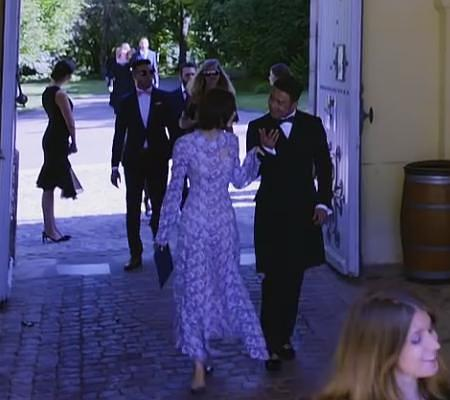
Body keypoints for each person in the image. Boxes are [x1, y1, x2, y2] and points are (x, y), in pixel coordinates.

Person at [155, 88, 277, 393]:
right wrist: (163, 229)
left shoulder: (229, 142)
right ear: (222, 113)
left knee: (221, 283)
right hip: (198, 223)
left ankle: (207, 352)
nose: (235, 116)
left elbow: (239, 180)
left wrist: (257, 154)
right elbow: (175, 188)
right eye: (232, 111)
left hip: (221, 224)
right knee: (196, 288)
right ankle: (199, 361)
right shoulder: (185, 145)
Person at [246, 75, 333, 372]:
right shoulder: (257, 127)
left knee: (293, 278)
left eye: (281, 102)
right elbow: (253, 172)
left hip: (302, 212)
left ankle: (283, 338)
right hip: (270, 212)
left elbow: (324, 165)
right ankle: (269, 344)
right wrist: (266, 150)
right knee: (272, 279)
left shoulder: (312, 125)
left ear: (294, 103)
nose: (274, 105)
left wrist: (323, 203)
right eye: (272, 99)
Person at [315, 289, 450, 400]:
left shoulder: (442, 391)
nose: (435, 345)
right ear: (382, 350)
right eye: (416, 339)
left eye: (430, 330)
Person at [110, 59, 170, 271]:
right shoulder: (125, 102)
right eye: (142, 72)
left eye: (150, 72)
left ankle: (161, 247)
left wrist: (173, 154)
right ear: (134, 75)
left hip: (157, 159)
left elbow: (173, 128)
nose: (147, 76)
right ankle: (135, 253)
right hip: (134, 160)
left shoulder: (163, 98)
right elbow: (119, 134)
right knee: (133, 206)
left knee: (159, 205)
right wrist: (114, 165)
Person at [36, 59, 81, 243]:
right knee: (49, 183)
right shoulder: (59, 94)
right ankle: (49, 228)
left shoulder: (48, 91)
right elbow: (69, 120)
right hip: (57, 140)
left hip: (52, 137)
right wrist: (74, 141)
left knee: (50, 184)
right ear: (67, 75)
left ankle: (50, 227)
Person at [166, 61, 197, 207]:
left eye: (193, 74)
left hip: (198, 148)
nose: (190, 78)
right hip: (178, 146)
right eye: (187, 75)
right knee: (180, 184)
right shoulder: (171, 98)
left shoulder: (203, 97)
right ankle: (183, 209)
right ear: (181, 77)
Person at [179, 58, 237, 132]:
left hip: (220, 135)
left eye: (215, 73)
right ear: (202, 76)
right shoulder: (195, 96)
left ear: (220, 74)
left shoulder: (227, 97)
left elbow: (231, 122)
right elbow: (183, 123)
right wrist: (198, 121)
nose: (211, 76)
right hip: (198, 135)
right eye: (208, 73)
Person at [105, 42, 135, 114]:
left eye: (126, 50)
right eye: (123, 49)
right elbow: (110, 73)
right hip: (118, 88)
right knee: (118, 109)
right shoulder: (113, 61)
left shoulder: (132, 61)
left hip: (129, 87)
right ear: (120, 50)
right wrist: (110, 83)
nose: (124, 51)